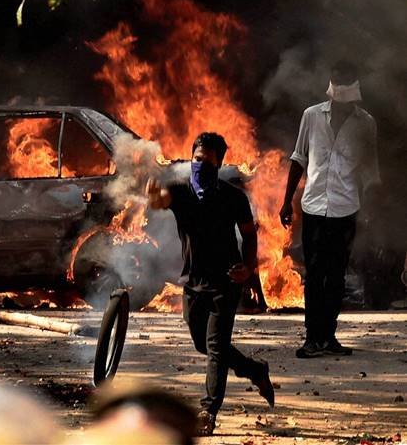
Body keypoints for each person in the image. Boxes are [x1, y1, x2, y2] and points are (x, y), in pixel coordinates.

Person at [146, 132, 274, 436]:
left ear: (219, 163)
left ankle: (208, 410)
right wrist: (151, 194)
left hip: (225, 282)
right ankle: (254, 370)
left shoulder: (232, 196)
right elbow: (159, 201)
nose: (200, 164)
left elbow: (249, 233)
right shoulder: (179, 191)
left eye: (207, 160)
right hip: (193, 282)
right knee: (202, 342)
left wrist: (249, 269)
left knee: (216, 346)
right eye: (196, 158)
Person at [280, 60, 381, 359]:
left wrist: (370, 208)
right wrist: (287, 202)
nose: (341, 108)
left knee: (336, 276)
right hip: (313, 207)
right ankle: (313, 338)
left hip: (347, 208)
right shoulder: (311, 116)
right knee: (314, 275)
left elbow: (370, 170)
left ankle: (329, 336)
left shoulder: (366, 123)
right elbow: (298, 159)